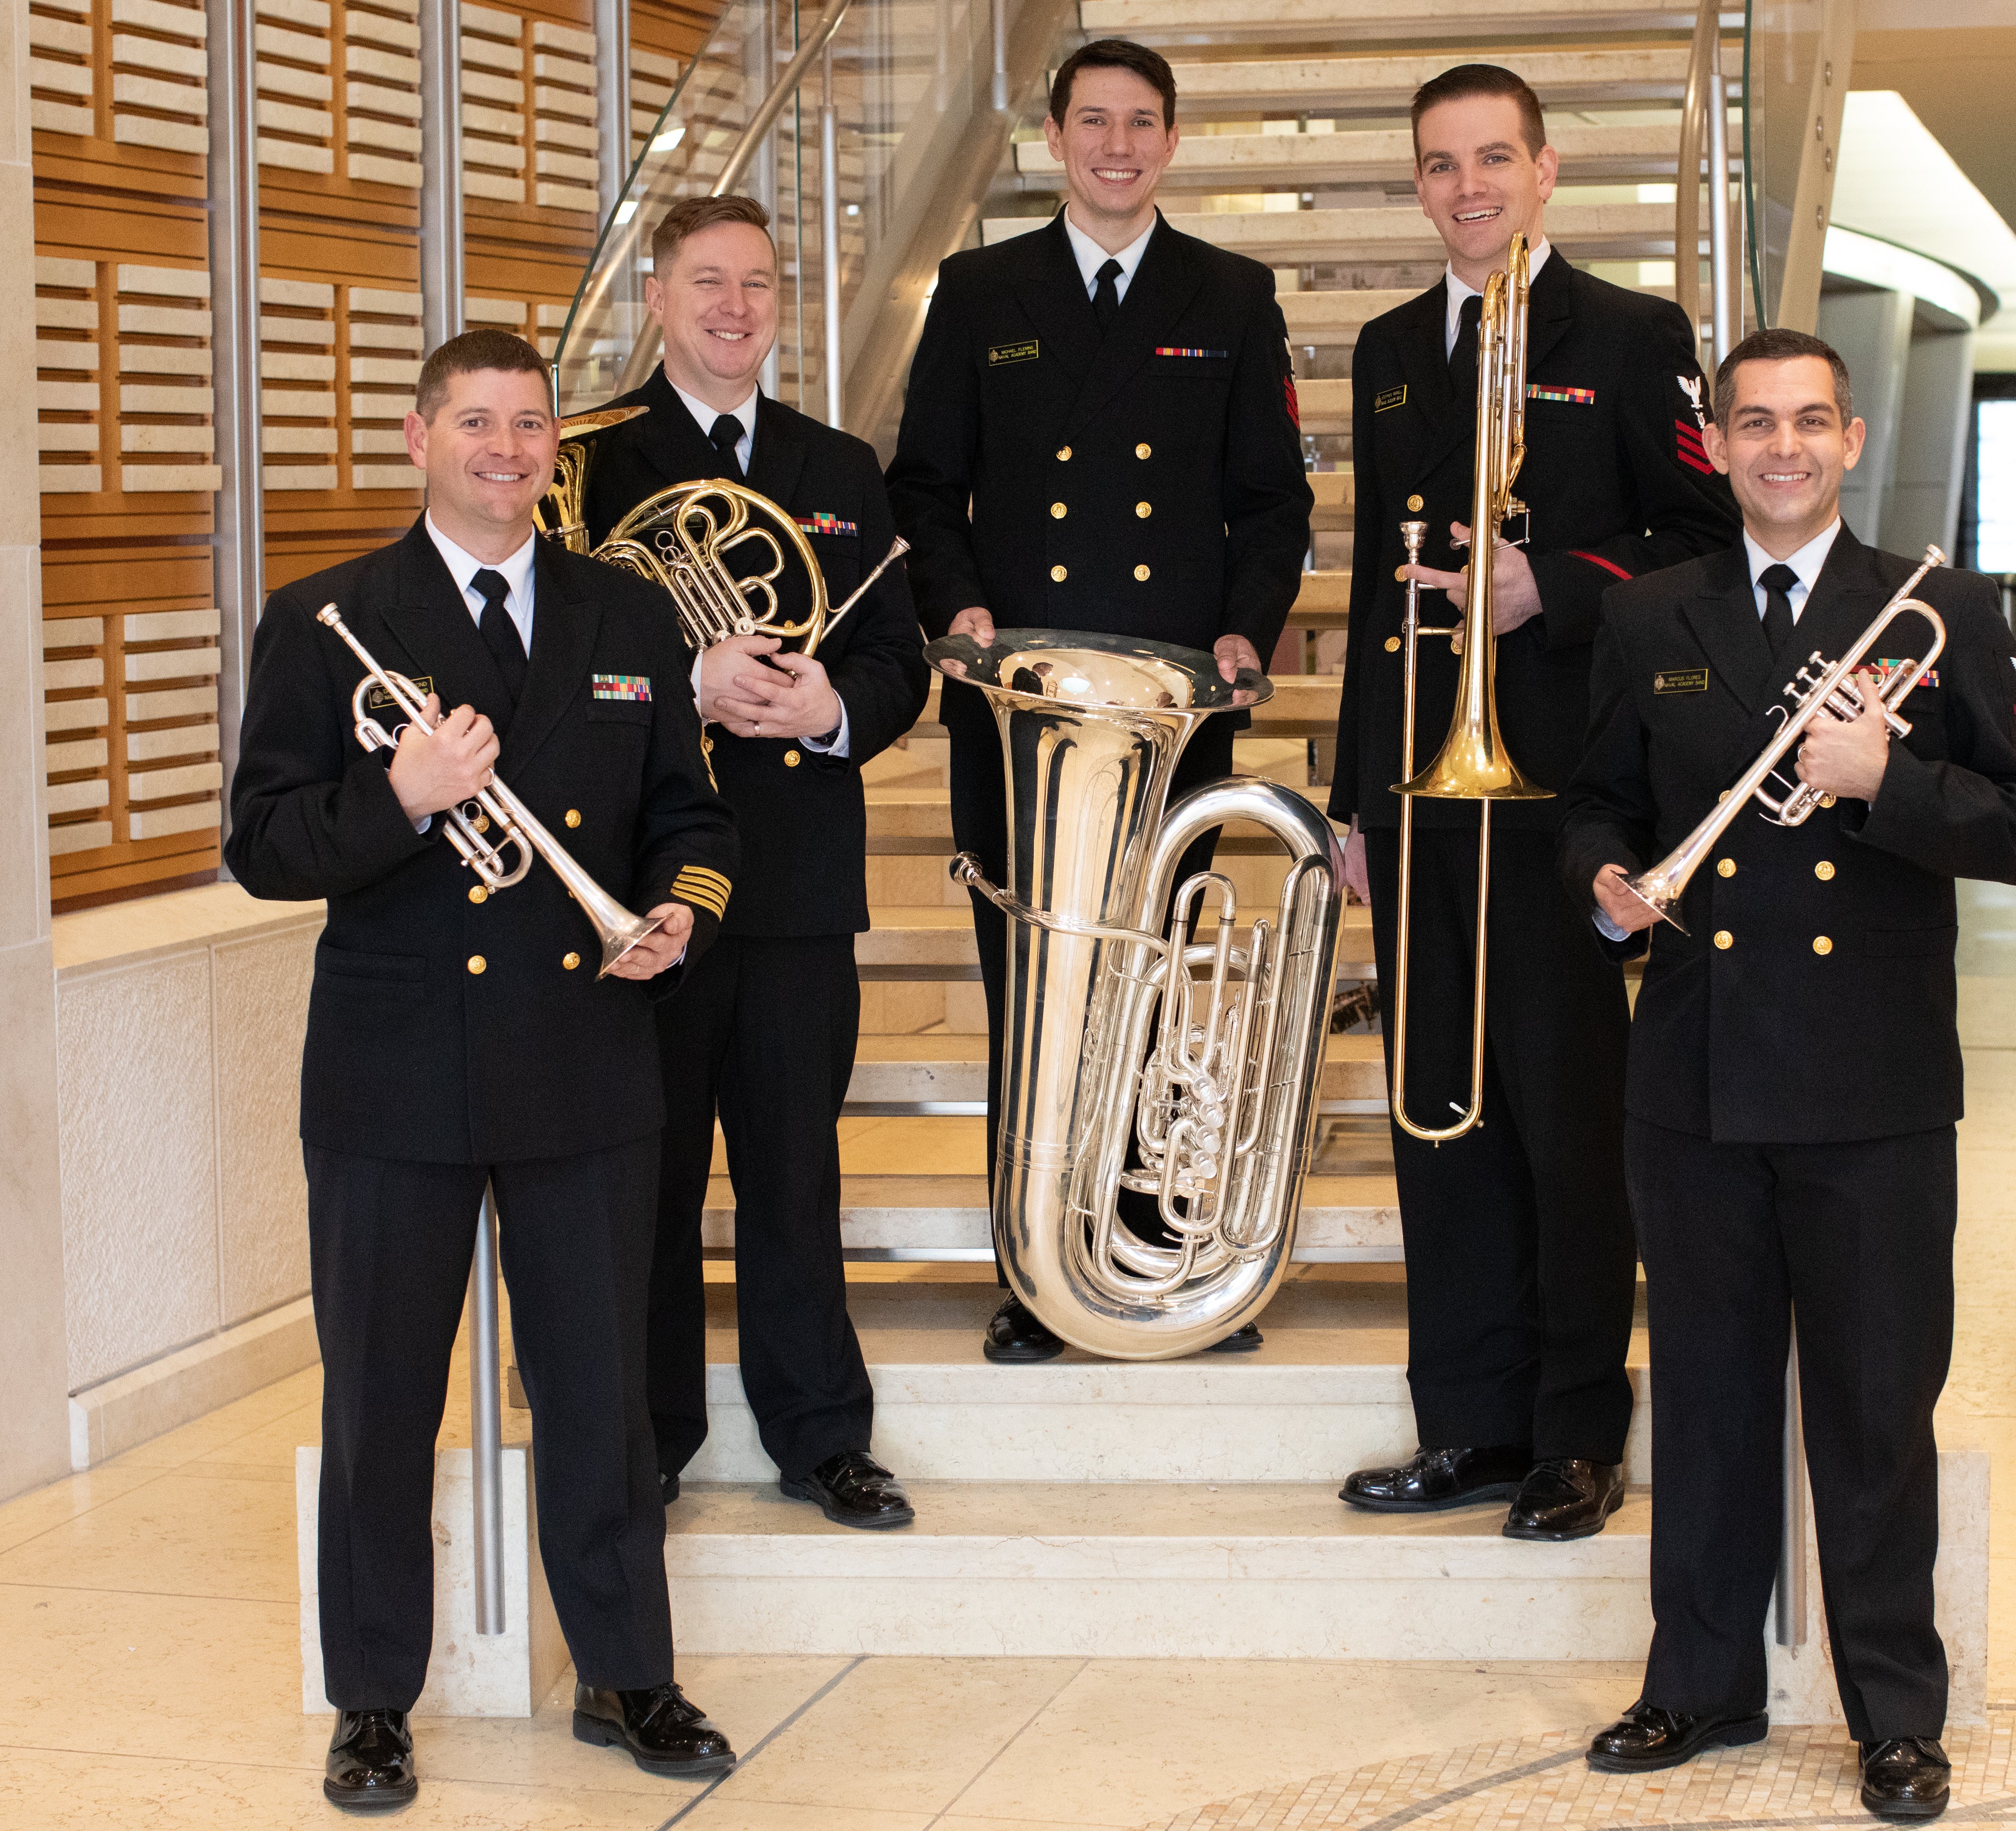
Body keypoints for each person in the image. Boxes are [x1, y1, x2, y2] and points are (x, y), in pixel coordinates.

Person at [227, 328, 744, 1811]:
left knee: (600, 1391)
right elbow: (262, 847)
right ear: (418, 438)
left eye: (529, 427)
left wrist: (677, 916)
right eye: (477, 424)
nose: (507, 451)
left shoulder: (629, 616)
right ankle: (374, 1698)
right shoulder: (330, 620)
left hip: (585, 1051)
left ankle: (627, 1673)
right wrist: (398, 797)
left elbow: (692, 821)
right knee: (381, 1400)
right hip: (394, 1071)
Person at [1562, 327, 2016, 1819]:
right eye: (1752, 425)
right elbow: (1595, 803)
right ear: (1716, 449)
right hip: (1699, 1077)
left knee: (1871, 1410)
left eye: (1809, 423)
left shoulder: (1943, 610)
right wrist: (1605, 888)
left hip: (1876, 1089)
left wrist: (1887, 787)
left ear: (1851, 440)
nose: (1780, 448)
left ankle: (1896, 1717)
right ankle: (1698, 1686)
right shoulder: (1651, 613)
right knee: (1711, 1398)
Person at [1330, 63, 1740, 1541]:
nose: (1470, 188)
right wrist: (1352, 797)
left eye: (1495, 158)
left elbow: (1703, 540)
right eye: (1441, 165)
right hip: (1426, 789)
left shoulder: (1633, 337)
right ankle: (1471, 1425)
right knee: (1437, 1117)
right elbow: (1378, 584)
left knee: (1566, 1115)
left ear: (1548, 170)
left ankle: (1578, 1428)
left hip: (1565, 787)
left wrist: (1550, 588)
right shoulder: (1387, 350)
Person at [887, 35, 1313, 1363]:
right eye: (1093, 123)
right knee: (1037, 970)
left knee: (1158, 973)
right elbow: (922, 485)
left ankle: (1155, 1246)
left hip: (1175, 701)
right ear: (1056, 141)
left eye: (1141, 124)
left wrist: (1248, 631)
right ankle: (1036, 1262)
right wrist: (954, 611)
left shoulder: (1233, 294)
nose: (1117, 145)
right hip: (1024, 709)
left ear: (1171, 142)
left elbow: (1271, 501)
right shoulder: (976, 287)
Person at [573, 193, 931, 1529]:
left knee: (794, 1174)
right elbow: (553, 666)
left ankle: (821, 1436)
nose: (735, 308)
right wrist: (686, 672)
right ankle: (648, 1437)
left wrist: (828, 709)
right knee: (648, 1182)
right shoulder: (593, 462)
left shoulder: (838, 467)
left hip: (792, 886)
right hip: (647, 886)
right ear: (657, 298)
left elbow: (899, 664)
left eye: (759, 285)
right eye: (708, 282)